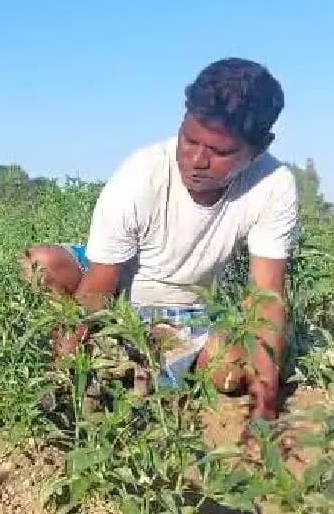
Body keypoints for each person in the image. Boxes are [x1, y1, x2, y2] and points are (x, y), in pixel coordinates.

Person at [22, 57, 300, 422]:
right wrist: (66, 375)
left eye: (220, 152)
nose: (196, 160)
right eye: (189, 139)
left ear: (259, 148)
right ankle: (113, 349)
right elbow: (100, 281)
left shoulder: (273, 185)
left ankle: (163, 356)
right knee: (39, 263)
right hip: (121, 292)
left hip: (194, 309)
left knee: (230, 372)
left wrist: (266, 409)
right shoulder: (142, 174)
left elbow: (267, 296)